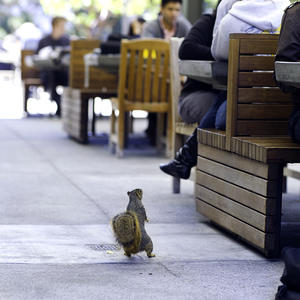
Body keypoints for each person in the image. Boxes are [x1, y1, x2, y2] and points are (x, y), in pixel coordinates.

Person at [160, 0, 288, 180]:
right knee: (229, 102)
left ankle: (188, 159)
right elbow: (187, 49)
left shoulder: (238, 21)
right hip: (204, 93)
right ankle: (194, 163)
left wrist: (234, 53)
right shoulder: (211, 21)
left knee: (230, 104)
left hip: (240, 98)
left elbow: (221, 55)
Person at [36, 16, 70, 116]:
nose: (64, 29)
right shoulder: (44, 41)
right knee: (50, 76)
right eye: (62, 26)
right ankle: (59, 104)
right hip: (48, 72)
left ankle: (63, 104)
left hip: (63, 72)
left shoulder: (66, 41)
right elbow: (38, 58)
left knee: (69, 77)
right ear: (54, 26)